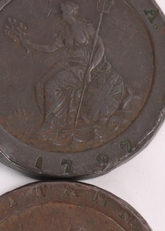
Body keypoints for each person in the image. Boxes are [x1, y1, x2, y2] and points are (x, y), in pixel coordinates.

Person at [21, 2, 106, 134]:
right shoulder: (65, 32)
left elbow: (101, 48)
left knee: (51, 85)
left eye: (63, 10)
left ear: (71, 10)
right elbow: (50, 48)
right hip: (67, 64)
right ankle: (50, 117)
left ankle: (49, 123)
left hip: (82, 68)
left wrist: (90, 68)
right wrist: (31, 45)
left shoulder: (86, 28)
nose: (60, 13)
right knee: (39, 84)